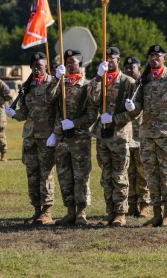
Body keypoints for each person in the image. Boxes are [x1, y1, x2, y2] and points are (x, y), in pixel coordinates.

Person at [126, 44, 167, 228]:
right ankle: (156, 215)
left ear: (165, 58)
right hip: (147, 136)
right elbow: (138, 105)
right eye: (151, 56)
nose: (154, 58)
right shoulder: (144, 80)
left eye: (158, 55)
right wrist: (132, 108)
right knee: (151, 176)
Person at [86, 46, 139, 227]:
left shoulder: (129, 82)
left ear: (118, 59)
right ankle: (110, 212)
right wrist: (98, 78)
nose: (108, 61)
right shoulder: (100, 80)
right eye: (106, 58)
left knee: (120, 174)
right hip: (102, 133)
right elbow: (92, 99)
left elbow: (135, 112)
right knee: (106, 175)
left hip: (120, 134)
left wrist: (115, 118)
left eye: (112, 58)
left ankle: (121, 213)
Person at [5, 52, 57, 226]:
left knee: (46, 174)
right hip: (30, 137)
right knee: (32, 175)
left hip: (46, 137)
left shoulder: (53, 84)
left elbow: (59, 111)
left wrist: (55, 133)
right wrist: (14, 114)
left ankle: (47, 212)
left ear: (45, 66)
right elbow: (24, 113)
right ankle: (36, 210)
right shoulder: (28, 87)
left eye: (40, 65)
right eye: (34, 66)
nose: (36, 68)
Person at [49, 49, 96, 226]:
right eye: (67, 61)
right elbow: (49, 101)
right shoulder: (61, 84)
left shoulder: (87, 86)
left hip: (79, 139)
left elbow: (92, 115)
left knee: (81, 176)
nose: (69, 64)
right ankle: (70, 211)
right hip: (62, 139)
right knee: (64, 175)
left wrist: (74, 123)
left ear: (80, 65)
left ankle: (81, 213)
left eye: (73, 62)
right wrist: (55, 79)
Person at [123, 56, 151, 218]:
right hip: (126, 136)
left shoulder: (145, 85)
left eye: (131, 68)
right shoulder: (125, 86)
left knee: (143, 172)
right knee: (129, 172)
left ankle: (144, 205)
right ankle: (131, 204)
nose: (128, 70)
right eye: (126, 68)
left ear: (139, 69)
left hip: (141, 135)